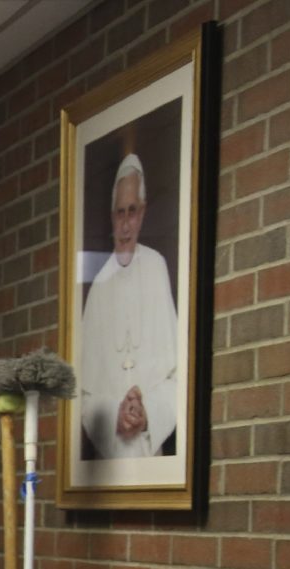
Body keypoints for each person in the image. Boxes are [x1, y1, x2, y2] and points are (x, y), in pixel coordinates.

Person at [77, 152, 179, 459]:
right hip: (110, 456)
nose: (125, 226)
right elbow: (83, 392)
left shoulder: (156, 267)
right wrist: (115, 415)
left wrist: (146, 412)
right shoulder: (100, 283)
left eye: (132, 212)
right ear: (111, 216)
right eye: (119, 213)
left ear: (143, 213)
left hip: (151, 452)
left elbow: (178, 376)